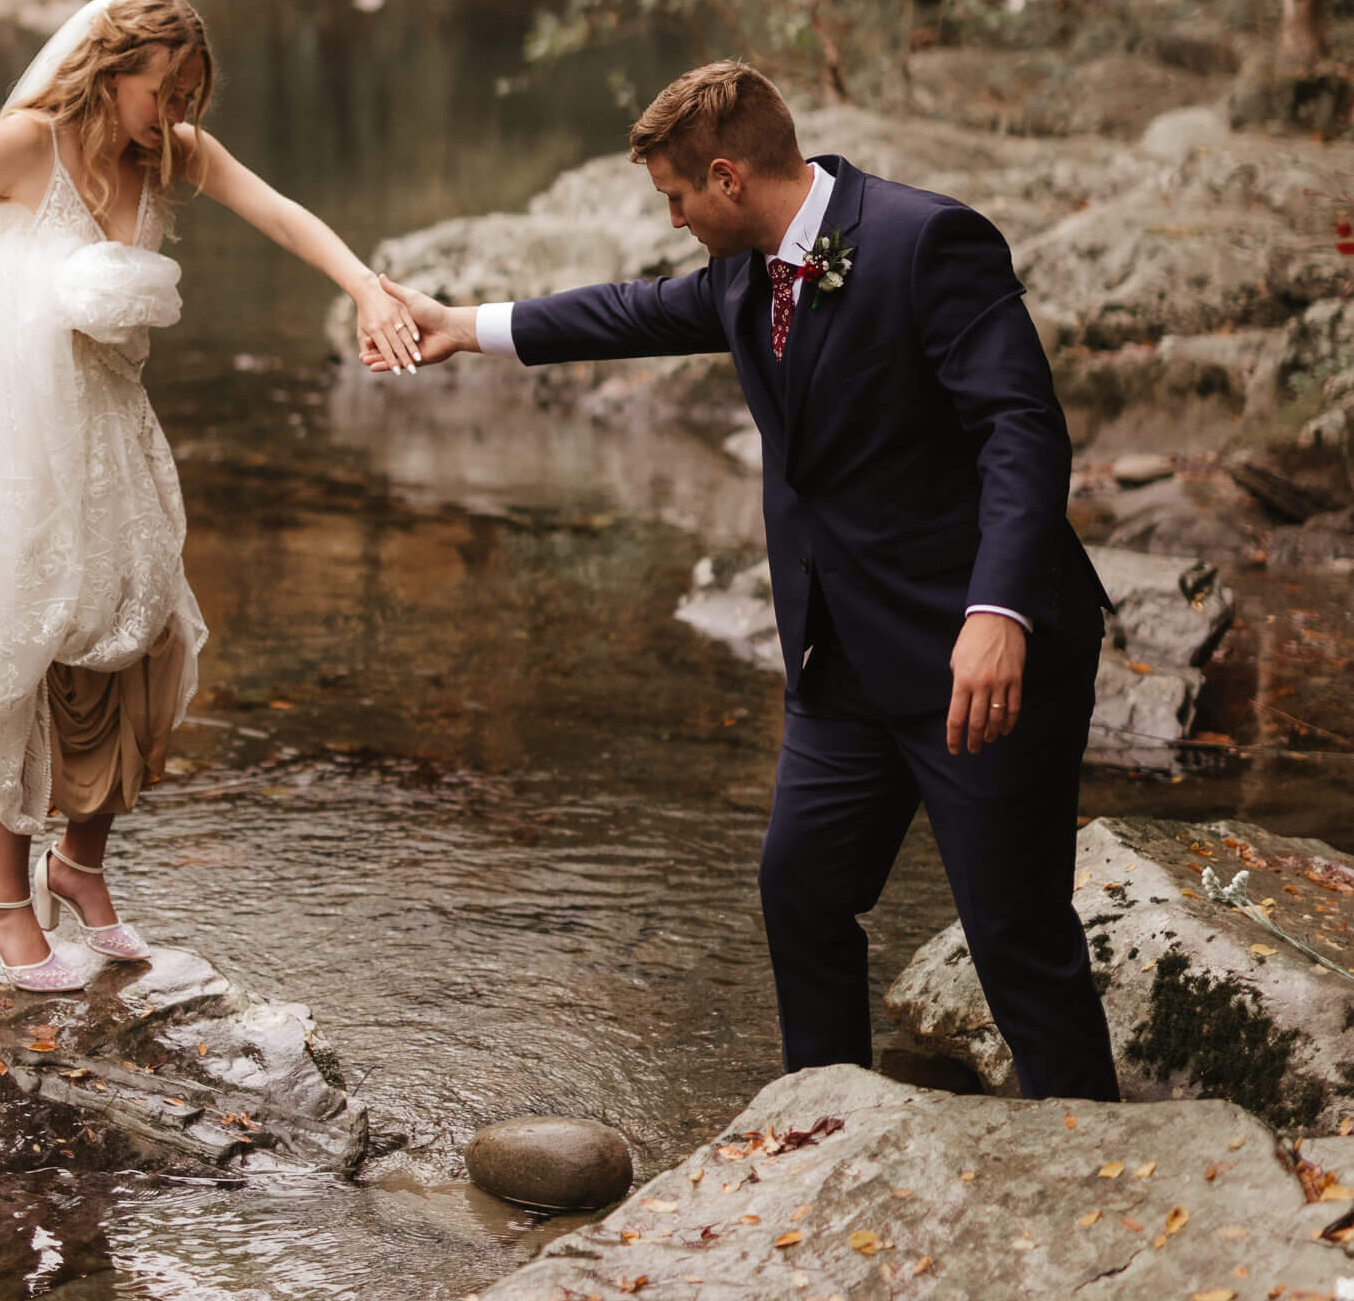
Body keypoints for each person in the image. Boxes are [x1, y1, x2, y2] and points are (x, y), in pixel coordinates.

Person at [370, 60, 1119, 1102]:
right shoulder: (747, 273)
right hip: (844, 655)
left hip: (980, 656)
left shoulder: (923, 241)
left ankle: (1095, 1164)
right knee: (799, 888)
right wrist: (469, 322)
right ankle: (821, 1125)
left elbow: (1020, 433)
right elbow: (631, 313)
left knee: (1013, 933)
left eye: (675, 198)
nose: (672, 220)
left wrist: (997, 612)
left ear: (725, 177)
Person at [0, 0, 420, 993]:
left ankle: (80, 865)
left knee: (142, 638)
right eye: (162, 90)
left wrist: (363, 287)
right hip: (19, 436)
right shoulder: (26, 143)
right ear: (111, 70)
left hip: (114, 432)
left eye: (190, 95)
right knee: (26, 639)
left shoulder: (170, 152)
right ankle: (0, 899)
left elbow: (282, 214)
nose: (175, 115)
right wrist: (25, 298)